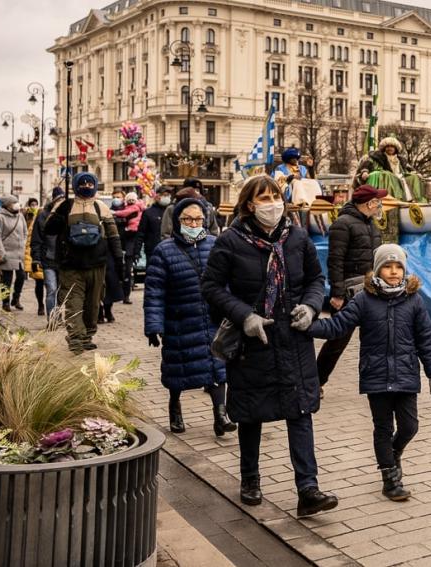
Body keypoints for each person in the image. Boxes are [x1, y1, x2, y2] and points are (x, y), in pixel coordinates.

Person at [201, 174, 337, 515]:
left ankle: (308, 489)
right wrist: (244, 315)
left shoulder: (298, 237)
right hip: (254, 341)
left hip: (293, 339)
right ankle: (250, 478)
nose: (272, 204)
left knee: (301, 411)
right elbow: (212, 287)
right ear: (250, 205)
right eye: (264, 199)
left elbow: (315, 279)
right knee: (251, 414)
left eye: (276, 197)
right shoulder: (231, 241)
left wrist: (310, 305)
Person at [299, 244, 431, 501]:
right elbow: (337, 326)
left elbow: (426, 338)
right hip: (375, 375)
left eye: (398, 266)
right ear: (377, 269)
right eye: (387, 266)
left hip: (406, 374)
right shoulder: (363, 299)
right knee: (383, 428)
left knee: (410, 426)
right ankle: (390, 478)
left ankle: (393, 452)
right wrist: (308, 326)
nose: (394, 271)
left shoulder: (414, 300)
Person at [144, 198, 236, 437]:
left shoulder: (215, 245)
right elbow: (154, 292)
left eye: (198, 219)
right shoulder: (164, 251)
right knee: (178, 370)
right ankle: (174, 407)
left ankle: (221, 415)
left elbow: (228, 282)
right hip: (180, 321)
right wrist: (153, 325)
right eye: (188, 219)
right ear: (177, 221)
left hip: (213, 318)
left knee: (218, 368)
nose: (194, 223)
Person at [317, 184, 386, 396]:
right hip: (347, 293)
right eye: (378, 201)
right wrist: (336, 294)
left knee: (377, 338)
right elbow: (335, 260)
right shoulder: (343, 224)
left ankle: (378, 382)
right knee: (338, 340)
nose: (380, 205)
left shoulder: (372, 225)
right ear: (369, 203)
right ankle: (316, 381)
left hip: (371, 290)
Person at [45, 172, 123, 355]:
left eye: (90, 183)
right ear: (75, 185)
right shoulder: (65, 205)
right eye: (83, 183)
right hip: (71, 266)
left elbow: (113, 235)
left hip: (96, 265)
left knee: (93, 305)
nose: (87, 186)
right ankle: (75, 338)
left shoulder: (101, 207)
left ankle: (87, 336)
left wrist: (119, 259)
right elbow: (49, 229)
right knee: (73, 303)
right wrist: (59, 213)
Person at [354, 137, 426, 203]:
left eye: (392, 146)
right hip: (386, 178)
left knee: (414, 177)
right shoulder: (377, 156)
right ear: (384, 148)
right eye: (387, 146)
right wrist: (364, 172)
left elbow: (409, 169)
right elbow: (367, 164)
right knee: (387, 174)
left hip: (400, 177)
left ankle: (413, 200)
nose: (390, 148)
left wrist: (416, 173)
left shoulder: (401, 159)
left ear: (396, 148)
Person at [31, 188, 65, 319]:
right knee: (51, 289)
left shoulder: (67, 214)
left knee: (62, 291)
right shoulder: (42, 215)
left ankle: (60, 317)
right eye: (58, 200)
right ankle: (52, 319)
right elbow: (36, 239)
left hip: (64, 260)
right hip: (48, 259)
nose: (60, 203)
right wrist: (36, 258)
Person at [0, 194, 28, 312]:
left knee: (21, 277)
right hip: (7, 253)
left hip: (19, 253)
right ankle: (5, 302)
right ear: (7, 205)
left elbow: (25, 232)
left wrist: (23, 244)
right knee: (7, 280)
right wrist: (1, 252)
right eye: (14, 202)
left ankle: (16, 298)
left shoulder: (20, 216)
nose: (16, 204)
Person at [112, 191, 145, 303]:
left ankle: (126, 295)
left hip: (128, 245)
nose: (117, 199)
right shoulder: (115, 211)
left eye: (119, 197)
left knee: (127, 272)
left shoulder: (132, 210)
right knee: (118, 271)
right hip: (118, 245)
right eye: (115, 197)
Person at [23, 198, 46, 315]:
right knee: (39, 282)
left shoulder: (43, 216)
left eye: (36, 204)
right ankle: (40, 305)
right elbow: (28, 239)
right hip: (36, 253)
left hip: (45, 254)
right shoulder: (26, 217)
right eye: (32, 204)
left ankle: (49, 304)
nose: (34, 206)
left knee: (50, 284)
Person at [137, 187, 172, 259]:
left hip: (170, 251)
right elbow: (141, 233)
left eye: (168, 195)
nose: (167, 197)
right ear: (157, 196)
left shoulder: (173, 212)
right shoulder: (148, 212)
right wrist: (137, 251)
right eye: (164, 195)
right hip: (152, 251)